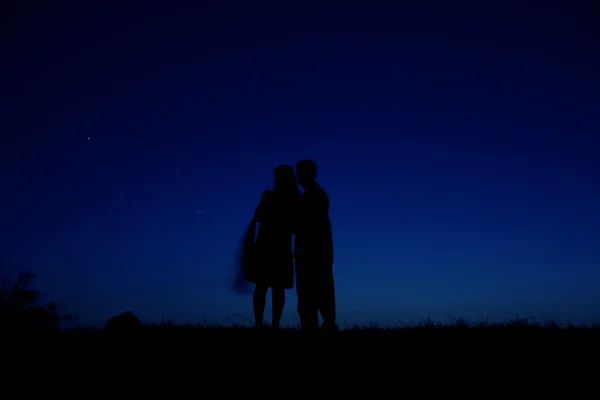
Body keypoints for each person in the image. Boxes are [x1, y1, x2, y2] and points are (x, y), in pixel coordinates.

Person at [246, 165, 299, 329]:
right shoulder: (289, 198)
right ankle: (267, 323)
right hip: (275, 246)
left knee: (269, 286)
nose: (275, 180)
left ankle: (263, 322)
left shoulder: (275, 197)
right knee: (273, 287)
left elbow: (257, 217)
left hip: (271, 245)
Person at [294, 159, 337, 332]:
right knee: (309, 289)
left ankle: (322, 324)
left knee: (319, 288)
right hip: (311, 250)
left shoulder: (317, 196)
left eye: (301, 174)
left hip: (315, 250)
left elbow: (306, 224)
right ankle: (312, 324)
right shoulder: (312, 196)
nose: (299, 178)